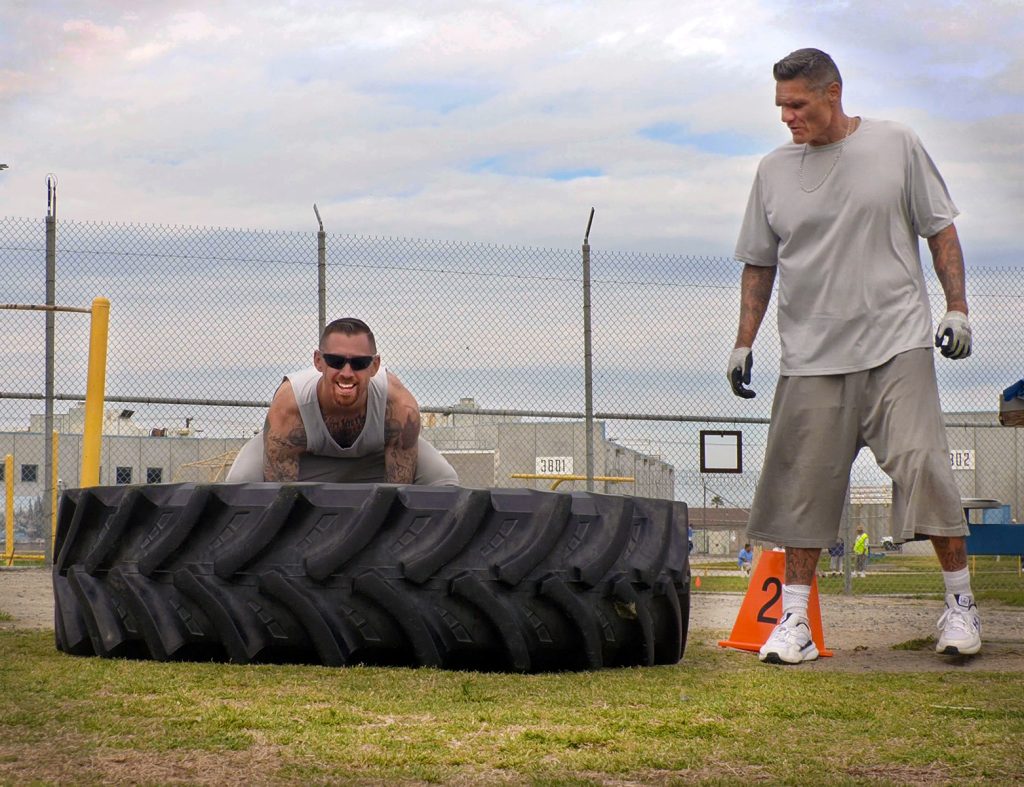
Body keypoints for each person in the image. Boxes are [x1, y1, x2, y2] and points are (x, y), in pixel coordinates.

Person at [730, 48, 980, 664]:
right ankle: (794, 624)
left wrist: (957, 307)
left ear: (833, 93)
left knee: (925, 464)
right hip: (811, 355)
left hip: (897, 343)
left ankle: (960, 609)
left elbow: (939, 228)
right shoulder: (772, 170)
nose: (788, 116)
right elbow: (760, 263)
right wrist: (743, 341)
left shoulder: (896, 144)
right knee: (801, 488)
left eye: (798, 104)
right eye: (781, 106)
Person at [227, 317, 459, 485]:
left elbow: (397, 495)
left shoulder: (399, 406)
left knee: (444, 480)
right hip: (308, 460)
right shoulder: (290, 405)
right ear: (319, 361)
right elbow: (280, 496)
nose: (346, 372)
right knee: (240, 484)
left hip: (373, 459)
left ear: (375, 366)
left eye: (358, 363)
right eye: (336, 361)